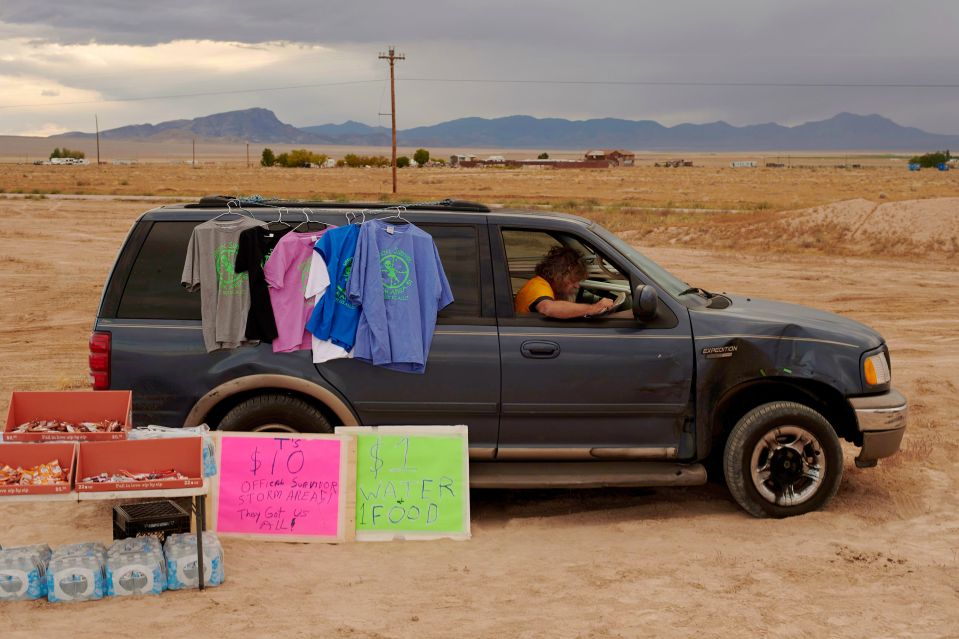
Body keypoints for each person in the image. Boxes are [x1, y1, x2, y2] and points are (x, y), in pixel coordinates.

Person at [514, 246, 615, 318]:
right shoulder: (537, 287)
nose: (577, 286)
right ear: (559, 275)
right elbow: (548, 308)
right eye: (573, 280)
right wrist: (593, 308)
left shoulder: (545, 287)